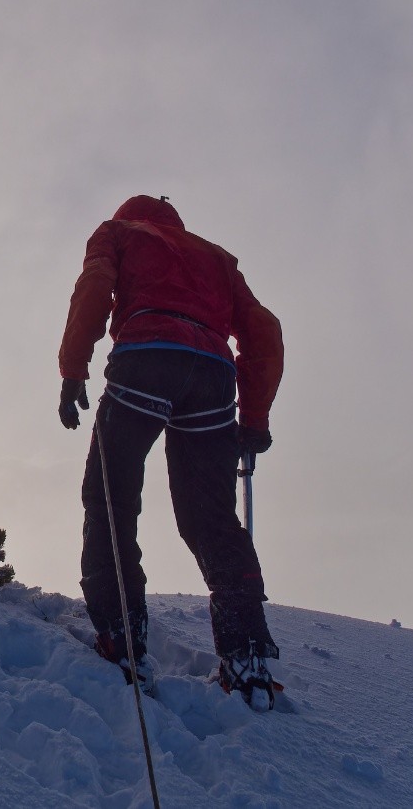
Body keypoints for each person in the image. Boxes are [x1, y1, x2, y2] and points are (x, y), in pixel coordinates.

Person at [58, 195, 284, 706]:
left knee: (112, 498)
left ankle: (122, 635)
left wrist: (73, 369)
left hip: (147, 354)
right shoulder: (217, 258)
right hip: (213, 375)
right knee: (212, 521)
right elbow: (263, 330)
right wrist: (253, 420)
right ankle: (246, 656)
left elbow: (94, 286)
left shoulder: (118, 233)